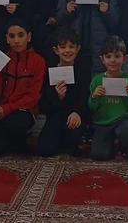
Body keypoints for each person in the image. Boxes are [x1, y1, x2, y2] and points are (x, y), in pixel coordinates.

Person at [0, 18, 44, 157]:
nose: (16, 41)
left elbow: (34, 95)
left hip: (23, 111)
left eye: (21, 35)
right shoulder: (1, 60)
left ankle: (18, 138)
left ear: (29, 37)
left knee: (16, 123)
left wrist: (8, 108)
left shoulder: (38, 61)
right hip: (1, 110)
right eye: (12, 36)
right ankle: (11, 140)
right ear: (7, 39)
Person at [37, 27, 92, 157]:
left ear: (77, 49)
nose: (67, 51)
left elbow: (86, 96)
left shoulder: (83, 69)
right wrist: (58, 96)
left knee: (73, 135)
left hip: (76, 115)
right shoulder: (51, 70)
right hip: (56, 115)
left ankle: (78, 137)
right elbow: (44, 104)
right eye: (63, 47)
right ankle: (61, 141)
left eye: (71, 47)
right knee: (44, 150)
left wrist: (77, 112)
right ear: (56, 50)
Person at [88, 36, 128, 161]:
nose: (113, 60)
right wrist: (94, 97)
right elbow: (92, 107)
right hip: (102, 122)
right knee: (99, 155)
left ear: (125, 58)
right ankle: (110, 145)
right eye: (108, 57)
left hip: (122, 120)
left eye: (117, 56)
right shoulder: (96, 80)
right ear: (102, 59)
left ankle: (124, 146)